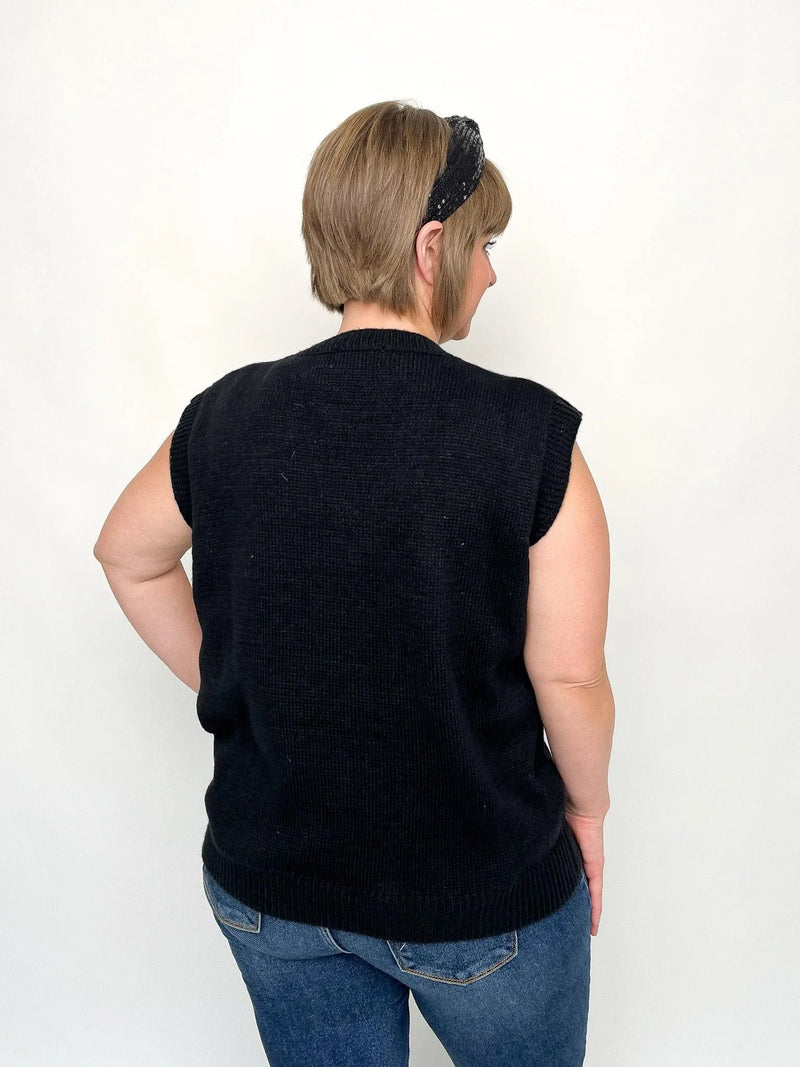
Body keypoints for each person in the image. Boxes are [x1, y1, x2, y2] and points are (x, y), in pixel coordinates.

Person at [93, 100, 614, 1067]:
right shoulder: (533, 437)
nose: (492, 273)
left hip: (273, 894)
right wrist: (588, 810)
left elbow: (127, 553)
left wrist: (240, 680)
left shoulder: (226, 415)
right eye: (485, 244)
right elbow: (572, 678)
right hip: (480, 897)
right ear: (431, 248)